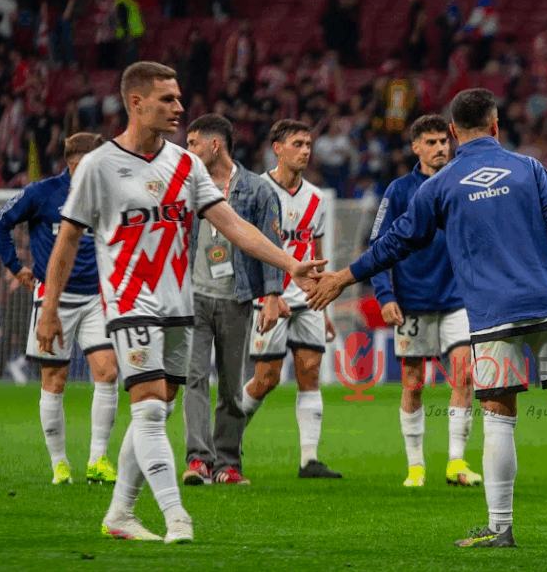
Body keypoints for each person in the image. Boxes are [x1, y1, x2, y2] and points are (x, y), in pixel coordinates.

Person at [304, 88, 547, 550]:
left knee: (499, 418)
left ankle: (501, 528)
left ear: (453, 133)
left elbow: (396, 241)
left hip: (491, 315)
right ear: (496, 126)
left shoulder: (440, 184)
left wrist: (343, 277)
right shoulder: (530, 168)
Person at [35, 62, 325, 544]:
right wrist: (49, 310)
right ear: (136, 103)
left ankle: (119, 514)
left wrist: (290, 263)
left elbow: (233, 225)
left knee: (159, 409)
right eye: (167, 99)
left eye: (178, 97)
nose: (179, 107)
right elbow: (66, 241)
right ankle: (177, 518)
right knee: (149, 410)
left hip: (178, 306)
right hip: (131, 303)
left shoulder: (185, 165)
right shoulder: (98, 166)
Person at [0, 132, 119, 486]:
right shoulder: (42, 193)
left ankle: (98, 460)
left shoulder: (107, 193)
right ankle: (60, 465)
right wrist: (16, 267)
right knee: (54, 379)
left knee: (107, 372)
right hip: (53, 300)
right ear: (76, 163)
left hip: (97, 297)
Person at [369, 114, 481, 488]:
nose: (439, 149)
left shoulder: (464, 185)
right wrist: (385, 294)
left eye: (443, 142)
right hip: (412, 300)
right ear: (416, 147)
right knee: (414, 383)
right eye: (430, 143)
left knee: (465, 374)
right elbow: (378, 246)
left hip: (457, 298)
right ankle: (415, 465)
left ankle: (456, 462)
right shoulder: (399, 191)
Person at [181, 114, 286, 486]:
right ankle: (197, 460)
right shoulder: (185, 186)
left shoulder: (257, 190)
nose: (187, 150)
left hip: (236, 298)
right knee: (193, 378)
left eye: (193, 143)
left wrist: (273, 295)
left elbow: (272, 244)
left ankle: (226, 463)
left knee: (230, 384)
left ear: (214, 145)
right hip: (191, 296)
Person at [239, 119, 342, 480]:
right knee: (266, 378)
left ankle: (309, 460)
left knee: (310, 372)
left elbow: (314, 252)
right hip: (269, 298)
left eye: (309, 144)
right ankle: (228, 443)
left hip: (307, 299)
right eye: (297, 143)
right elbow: (246, 248)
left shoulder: (317, 197)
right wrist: (266, 293)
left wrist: (323, 305)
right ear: (277, 148)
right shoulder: (255, 191)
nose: (305, 150)